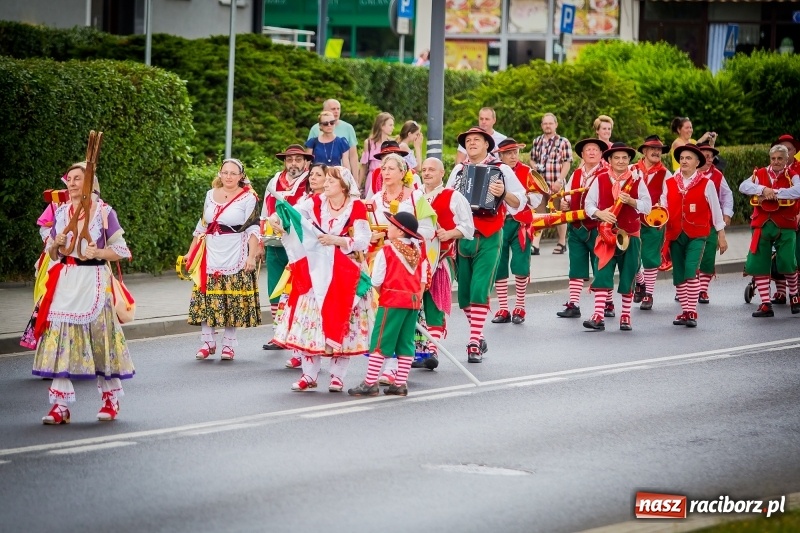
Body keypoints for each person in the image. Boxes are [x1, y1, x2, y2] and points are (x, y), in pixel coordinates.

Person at [31, 162, 134, 424]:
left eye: (78, 178)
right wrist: (56, 245)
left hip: (94, 281)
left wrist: (98, 252)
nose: (72, 183)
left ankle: (110, 399)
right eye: (70, 178)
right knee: (60, 339)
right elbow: (53, 254)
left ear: (90, 183)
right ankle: (60, 406)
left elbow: (121, 250)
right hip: (66, 282)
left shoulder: (104, 212)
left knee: (100, 341)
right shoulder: (61, 212)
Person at [269, 167, 372, 392]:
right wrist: (276, 217)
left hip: (344, 271)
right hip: (316, 269)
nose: (325, 184)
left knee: (342, 322)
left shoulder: (356, 206)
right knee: (311, 321)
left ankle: (337, 376)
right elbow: (293, 212)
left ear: (343, 186)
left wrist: (337, 240)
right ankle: (309, 375)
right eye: (326, 180)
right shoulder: (316, 202)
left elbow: (364, 240)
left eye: (331, 181)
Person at [447, 127, 526, 362]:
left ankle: (473, 342)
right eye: (468, 141)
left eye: (476, 140)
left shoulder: (501, 169)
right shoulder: (459, 170)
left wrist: (503, 193)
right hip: (464, 236)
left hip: (490, 234)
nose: (471, 143)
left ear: (486, 145)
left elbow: (520, 201)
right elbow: (446, 199)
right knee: (464, 294)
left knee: (480, 288)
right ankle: (478, 334)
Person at [348, 212, 430, 397]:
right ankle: (400, 383)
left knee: (380, 341)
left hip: (392, 301)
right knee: (406, 342)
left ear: (400, 232)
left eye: (392, 225)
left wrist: (385, 295)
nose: (388, 228)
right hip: (413, 302)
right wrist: (415, 298)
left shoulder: (387, 251)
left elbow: (376, 280)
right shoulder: (418, 253)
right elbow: (423, 281)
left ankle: (370, 383)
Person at [187, 159, 261, 361]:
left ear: (241, 176)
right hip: (211, 251)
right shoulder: (210, 194)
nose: (228, 176)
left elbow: (254, 228)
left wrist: (251, 256)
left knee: (231, 298)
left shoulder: (249, 197)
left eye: (233, 173)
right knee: (206, 296)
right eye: (225, 172)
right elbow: (202, 225)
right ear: (220, 173)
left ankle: (228, 344)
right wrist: (190, 253)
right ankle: (207, 342)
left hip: (235, 249)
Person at [412, 157, 474, 370]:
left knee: (434, 303)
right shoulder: (414, 195)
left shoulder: (453, 196)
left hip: (441, 258)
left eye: (432, 169)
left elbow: (468, 228)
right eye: (424, 169)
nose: (427, 173)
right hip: (413, 260)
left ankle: (432, 349)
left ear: (442, 173)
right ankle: (417, 350)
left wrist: (449, 233)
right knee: (414, 305)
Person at [582, 143, 652, 332]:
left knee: (628, 274)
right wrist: (600, 213)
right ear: (610, 161)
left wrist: (632, 201)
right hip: (606, 235)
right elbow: (588, 205)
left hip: (631, 235)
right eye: (617, 158)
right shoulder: (600, 179)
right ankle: (598, 316)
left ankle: (626, 316)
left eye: (624, 158)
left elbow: (648, 207)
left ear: (629, 160)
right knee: (602, 273)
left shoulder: (637, 180)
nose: (621, 161)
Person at [662, 144, 728, 327]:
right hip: (675, 233)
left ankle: (692, 312)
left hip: (697, 234)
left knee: (691, 271)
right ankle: (685, 311)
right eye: (682, 158)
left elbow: (716, 210)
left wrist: (721, 235)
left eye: (688, 158)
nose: (684, 161)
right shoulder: (670, 182)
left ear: (697, 162)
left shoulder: (706, 183)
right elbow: (663, 206)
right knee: (679, 274)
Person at [260, 144, 312, 351]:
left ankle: (297, 333)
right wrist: (261, 240)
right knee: (274, 288)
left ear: (306, 162)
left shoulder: (311, 181)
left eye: (298, 159)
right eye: (289, 160)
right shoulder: (274, 181)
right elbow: (264, 212)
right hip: (275, 242)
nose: (293, 164)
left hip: (300, 245)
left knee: (298, 289)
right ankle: (278, 333)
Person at [739, 144, 800, 317]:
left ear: (786, 159)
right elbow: (743, 186)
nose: (776, 162)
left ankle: (794, 296)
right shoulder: (759, 173)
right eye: (773, 158)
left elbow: (797, 191)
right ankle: (765, 303)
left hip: (785, 224)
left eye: (780, 158)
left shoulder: (793, 175)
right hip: (761, 224)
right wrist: (762, 189)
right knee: (758, 263)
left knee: (787, 261)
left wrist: (774, 193)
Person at [280, 162, 330, 369]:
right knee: (297, 302)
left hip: (321, 258)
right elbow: (291, 216)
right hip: (302, 258)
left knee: (314, 306)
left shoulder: (329, 203)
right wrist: (278, 219)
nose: (313, 178)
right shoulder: (305, 200)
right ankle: (297, 350)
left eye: (318, 175)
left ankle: (314, 349)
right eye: (312, 175)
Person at [490, 138, 543, 325]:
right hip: (498, 224)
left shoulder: (527, 172)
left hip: (521, 224)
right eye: (508, 153)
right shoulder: (493, 171)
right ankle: (503, 308)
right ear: (501, 155)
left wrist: (523, 198)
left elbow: (537, 198)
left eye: (515, 152)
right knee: (499, 265)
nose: (513, 156)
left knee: (521, 265)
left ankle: (520, 306)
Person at [555, 138, 609, 319]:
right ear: (582, 155)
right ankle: (574, 304)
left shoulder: (606, 173)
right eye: (588, 150)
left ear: (601, 154)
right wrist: (565, 204)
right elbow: (568, 196)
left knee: (601, 267)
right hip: (577, 227)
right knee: (576, 266)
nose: (592, 152)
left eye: (595, 149)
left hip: (598, 227)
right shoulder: (577, 173)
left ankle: (607, 303)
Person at [631, 135, 672, 311]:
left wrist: (662, 209)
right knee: (631, 256)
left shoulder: (665, 173)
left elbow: (668, 197)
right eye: (653, 149)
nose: (656, 152)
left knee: (650, 258)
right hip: (632, 219)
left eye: (659, 149)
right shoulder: (631, 170)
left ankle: (648, 294)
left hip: (654, 220)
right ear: (645, 151)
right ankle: (640, 284)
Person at [695, 141, 734, 304]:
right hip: (689, 222)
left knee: (708, 255)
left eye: (711, 156)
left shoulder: (717, 175)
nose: (709, 159)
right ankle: (687, 287)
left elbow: (727, 195)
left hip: (710, 222)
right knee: (689, 255)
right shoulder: (684, 173)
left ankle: (702, 290)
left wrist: (727, 214)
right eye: (706, 156)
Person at [530, 113, 573, 255]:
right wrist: (535, 167)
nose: (547, 126)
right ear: (542, 125)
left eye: (550, 123)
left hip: (556, 184)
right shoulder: (537, 141)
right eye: (545, 123)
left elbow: (567, 163)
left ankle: (562, 242)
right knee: (539, 214)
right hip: (540, 185)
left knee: (559, 214)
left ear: (556, 125)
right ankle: (535, 245)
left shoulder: (563, 142)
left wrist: (559, 180)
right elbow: (532, 159)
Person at [769, 134, 800, 304]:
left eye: (789, 149)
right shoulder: (771, 170)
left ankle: (796, 291)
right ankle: (780, 291)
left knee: (794, 256)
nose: (785, 152)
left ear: (794, 151)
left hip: (795, 216)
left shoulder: (797, 170)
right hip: (775, 217)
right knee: (776, 256)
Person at [307, 99, 358, 170]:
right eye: (333, 109)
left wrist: (354, 176)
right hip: (318, 172)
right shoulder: (314, 129)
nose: (336, 111)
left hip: (338, 172)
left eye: (338, 109)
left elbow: (353, 156)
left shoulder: (348, 129)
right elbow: (308, 159)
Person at [360, 112, 396, 194]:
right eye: (390, 125)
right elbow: (363, 166)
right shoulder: (369, 143)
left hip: (388, 178)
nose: (393, 128)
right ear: (382, 126)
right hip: (372, 178)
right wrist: (358, 184)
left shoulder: (392, 143)